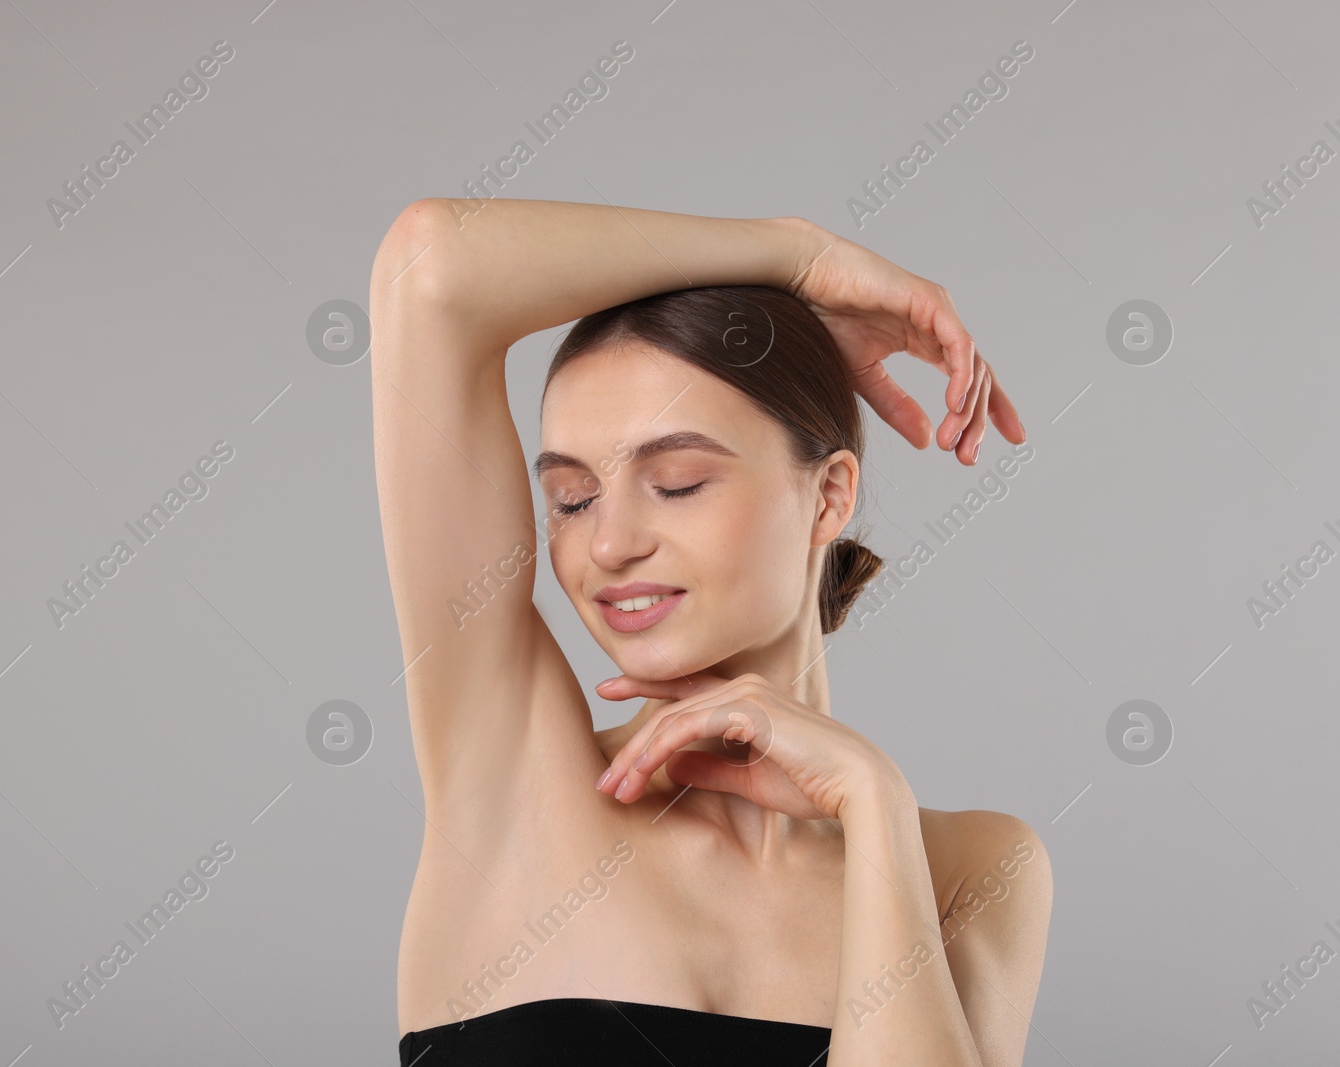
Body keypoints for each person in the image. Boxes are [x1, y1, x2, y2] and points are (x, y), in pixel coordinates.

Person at [370, 198, 1050, 1066]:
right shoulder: (510, 780)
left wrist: (872, 802)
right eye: (572, 499)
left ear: (829, 495)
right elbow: (429, 267)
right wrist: (795, 257)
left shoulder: (971, 867)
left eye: (679, 481)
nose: (608, 543)